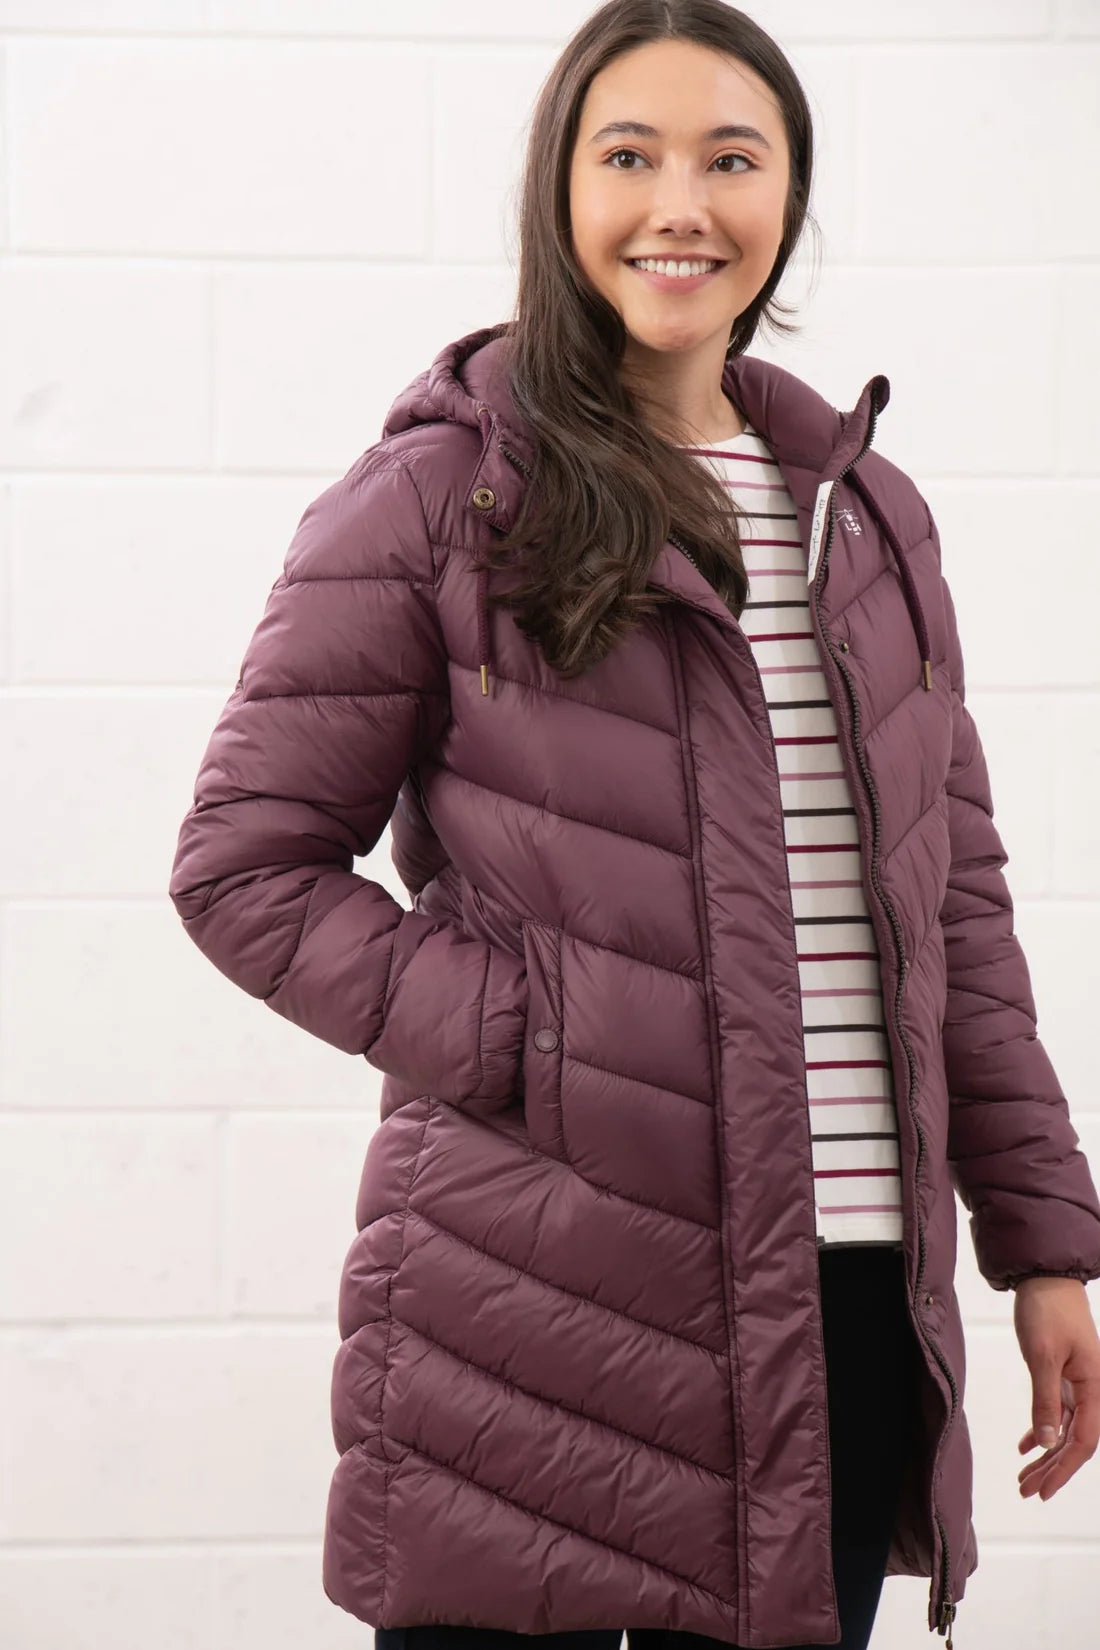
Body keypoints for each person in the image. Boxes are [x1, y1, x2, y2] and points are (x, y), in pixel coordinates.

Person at [167, 2, 1100, 1647]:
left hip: (834, 1307)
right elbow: (244, 863)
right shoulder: (444, 495)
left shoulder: (867, 518)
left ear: (788, 194)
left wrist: (1044, 1244)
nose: (682, 204)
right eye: (630, 155)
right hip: (525, 1303)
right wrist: (530, 1035)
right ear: (562, 188)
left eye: (731, 159)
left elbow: (955, 908)